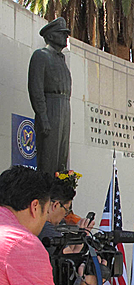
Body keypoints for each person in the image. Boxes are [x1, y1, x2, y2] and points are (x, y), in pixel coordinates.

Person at [28, 17, 72, 175]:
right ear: (51, 36)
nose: (66, 37)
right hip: (50, 106)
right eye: (62, 33)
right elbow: (36, 89)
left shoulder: (61, 60)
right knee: (49, 156)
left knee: (62, 156)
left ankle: (59, 196)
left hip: (64, 105)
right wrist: (43, 117)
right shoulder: (41, 55)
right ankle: (46, 195)